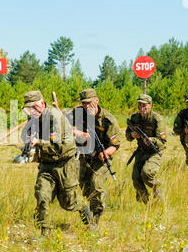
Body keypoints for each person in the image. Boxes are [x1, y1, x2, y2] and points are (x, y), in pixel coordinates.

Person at [21, 90, 92, 236]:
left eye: (33, 107)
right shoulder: (34, 118)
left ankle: (88, 220)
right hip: (47, 163)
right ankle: (45, 233)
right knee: (42, 196)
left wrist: (39, 142)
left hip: (65, 163)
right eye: (28, 109)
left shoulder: (54, 117)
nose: (31, 111)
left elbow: (58, 147)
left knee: (69, 203)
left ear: (42, 103)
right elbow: (27, 133)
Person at [68, 88, 120, 228]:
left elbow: (115, 145)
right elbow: (62, 124)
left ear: (96, 100)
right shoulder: (78, 114)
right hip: (83, 156)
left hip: (100, 158)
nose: (86, 106)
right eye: (84, 103)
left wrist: (106, 153)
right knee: (85, 188)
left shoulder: (108, 119)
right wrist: (76, 132)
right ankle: (87, 215)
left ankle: (95, 220)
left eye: (89, 103)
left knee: (96, 184)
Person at [125, 94, 166, 204]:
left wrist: (151, 140)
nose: (141, 109)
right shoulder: (134, 118)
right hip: (141, 151)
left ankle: (158, 193)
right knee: (136, 178)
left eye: (144, 106)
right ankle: (146, 205)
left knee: (147, 173)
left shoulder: (157, 119)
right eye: (139, 106)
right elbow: (127, 135)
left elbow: (162, 142)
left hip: (154, 152)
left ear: (150, 105)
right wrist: (132, 134)